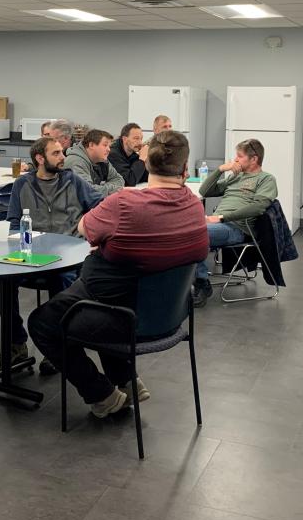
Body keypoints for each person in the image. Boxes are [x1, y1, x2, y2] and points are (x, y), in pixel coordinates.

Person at [28, 131, 209, 418]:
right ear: (185, 171)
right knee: (105, 302)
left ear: (147, 166)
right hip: (170, 313)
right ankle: (126, 381)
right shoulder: (193, 205)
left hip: (124, 315)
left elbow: (85, 228)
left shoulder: (124, 202)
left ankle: (102, 395)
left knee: (43, 323)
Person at [0, 136, 102, 372]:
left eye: (62, 152)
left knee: (63, 280)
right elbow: (12, 220)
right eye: (56, 153)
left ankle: (57, 346)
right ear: (40, 158)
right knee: (2, 280)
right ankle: (15, 344)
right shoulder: (22, 184)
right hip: (32, 254)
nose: (63, 158)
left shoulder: (73, 181)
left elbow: (99, 206)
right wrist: (16, 238)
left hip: (68, 255)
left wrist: (88, 231)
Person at [192, 139, 278, 307]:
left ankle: (202, 282)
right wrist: (220, 169)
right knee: (185, 230)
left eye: (240, 156)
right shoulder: (235, 177)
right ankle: (194, 280)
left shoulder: (266, 179)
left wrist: (223, 217)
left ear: (254, 159)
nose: (235, 160)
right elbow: (205, 191)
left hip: (237, 228)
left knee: (195, 234)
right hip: (217, 224)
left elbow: (258, 207)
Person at [63, 128, 124, 197]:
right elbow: (88, 191)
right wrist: (111, 188)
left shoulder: (102, 160)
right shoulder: (75, 162)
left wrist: (102, 187)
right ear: (91, 145)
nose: (109, 149)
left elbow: (119, 179)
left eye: (109, 146)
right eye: (105, 145)